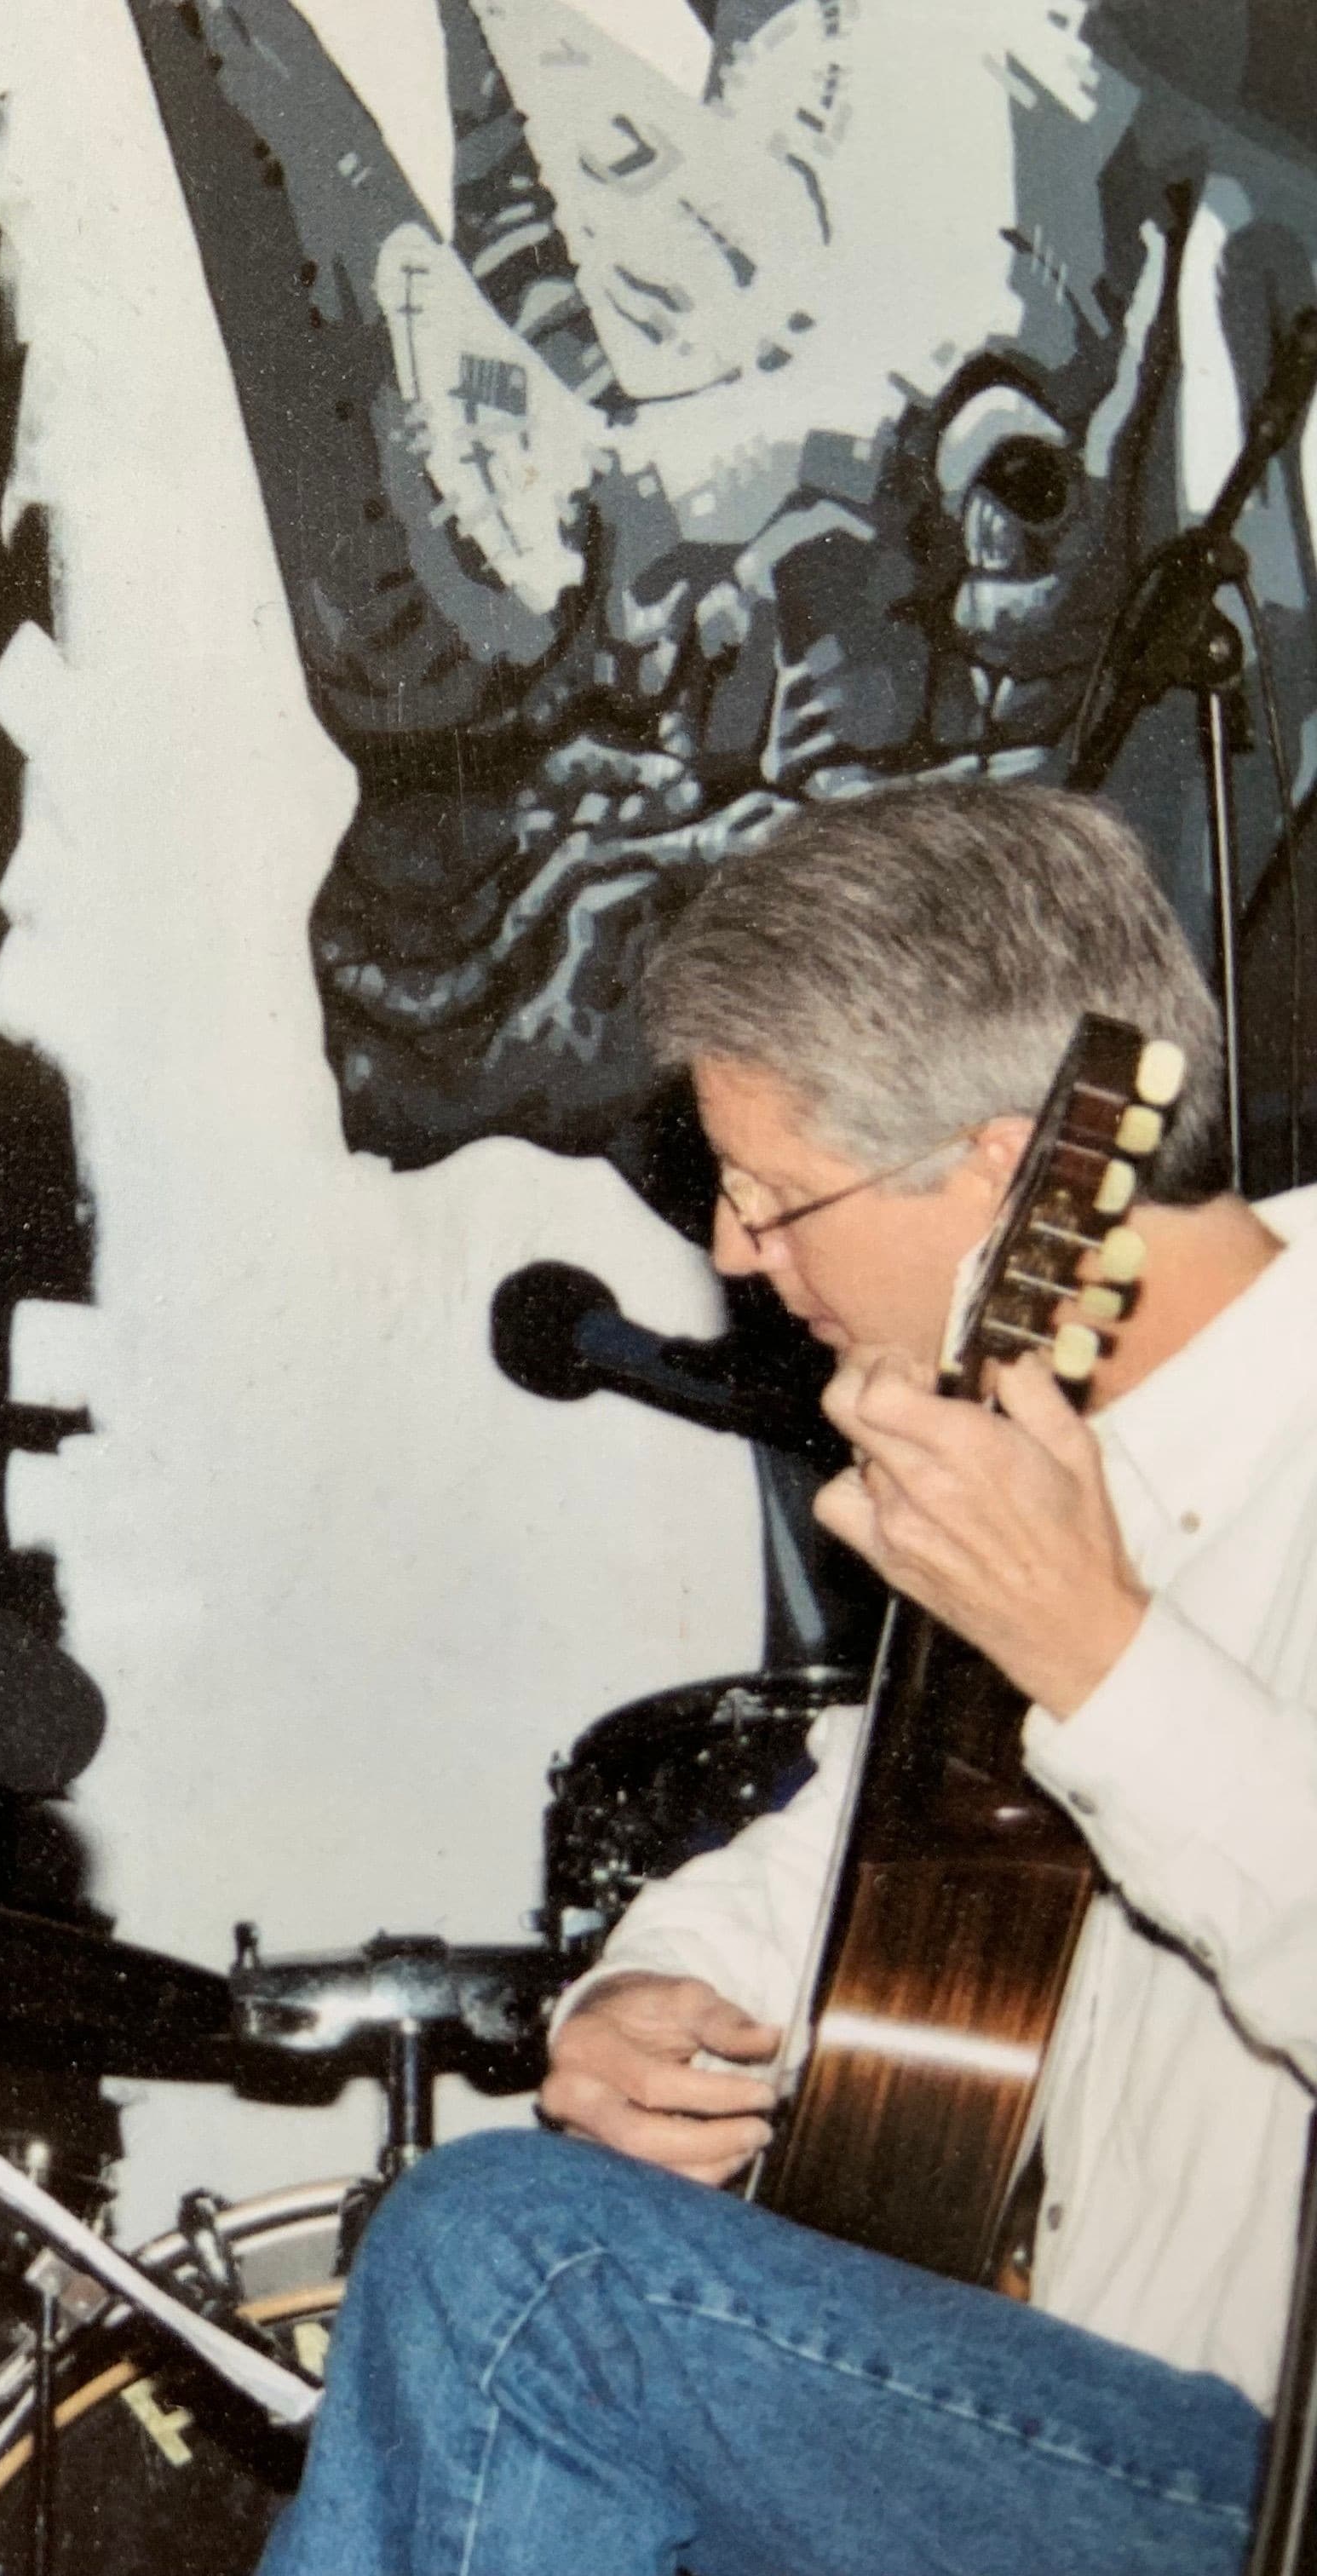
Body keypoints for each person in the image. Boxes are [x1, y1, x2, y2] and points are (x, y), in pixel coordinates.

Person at [257, 782, 1303, 2576]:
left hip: (1255, 2484)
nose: (736, 1252)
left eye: (770, 1192)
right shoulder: (1034, 1449)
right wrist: (641, 1995)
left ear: (1004, 1163)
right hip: (1038, 2423)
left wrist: (1102, 1662)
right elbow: (851, 1865)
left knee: (527, 2265)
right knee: (523, 2240)